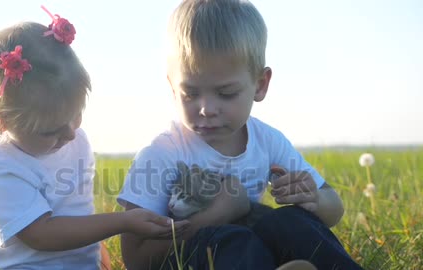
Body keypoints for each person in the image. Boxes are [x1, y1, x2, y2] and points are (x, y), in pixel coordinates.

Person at [117, 0, 363, 269]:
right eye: (191, 93)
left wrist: (314, 200)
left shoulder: (267, 141)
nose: (206, 109)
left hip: (254, 255)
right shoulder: (161, 155)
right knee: (229, 240)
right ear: (173, 88)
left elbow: (334, 209)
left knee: (289, 222)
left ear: (260, 85)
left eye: (226, 94)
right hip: (200, 258)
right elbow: (137, 260)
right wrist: (219, 213)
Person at [0, 7, 188, 270]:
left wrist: (97, 253)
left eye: (75, 116)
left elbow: (77, 213)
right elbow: (41, 234)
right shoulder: (1, 167)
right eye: (50, 131)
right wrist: (122, 222)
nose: (70, 134)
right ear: (0, 122)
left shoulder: (75, 141)